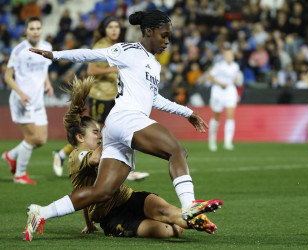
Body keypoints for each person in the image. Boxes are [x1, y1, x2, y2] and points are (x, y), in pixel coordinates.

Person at [25, 10, 222, 241]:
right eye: (163, 35)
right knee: (177, 151)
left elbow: (154, 99)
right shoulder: (128, 51)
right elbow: (91, 54)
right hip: (127, 117)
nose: (167, 41)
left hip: (120, 126)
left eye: (169, 36)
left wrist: (186, 112)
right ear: (149, 31)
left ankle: (40, 212)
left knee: (102, 191)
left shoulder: (154, 65)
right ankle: (189, 206)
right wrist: (55, 55)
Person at [25, 76, 217, 240]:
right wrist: (113, 134)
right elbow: (92, 165)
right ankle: (184, 222)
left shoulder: (101, 151)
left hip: (128, 198)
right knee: (170, 230)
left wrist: (88, 224)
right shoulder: (77, 156)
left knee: (169, 213)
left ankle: (192, 216)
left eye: (100, 132)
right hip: (111, 215)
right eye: (95, 132)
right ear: (80, 137)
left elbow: (84, 196)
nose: (100, 136)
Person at [52, 16, 149, 181]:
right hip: (100, 96)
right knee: (99, 134)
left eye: (116, 27)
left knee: (112, 132)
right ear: (105, 30)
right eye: (110, 27)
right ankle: (64, 154)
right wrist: (112, 70)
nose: (114, 30)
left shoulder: (118, 46)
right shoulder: (101, 46)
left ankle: (64, 155)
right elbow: (90, 70)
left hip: (114, 96)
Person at [1, 17, 53, 184]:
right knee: (31, 138)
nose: (35, 31)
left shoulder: (47, 47)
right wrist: (21, 93)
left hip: (38, 101)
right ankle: (19, 174)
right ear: (26, 31)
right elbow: (7, 77)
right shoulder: (19, 51)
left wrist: (48, 83)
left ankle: (11, 156)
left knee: (41, 140)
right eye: (32, 28)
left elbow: (44, 68)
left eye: (38, 28)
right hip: (22, 101)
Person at [208, 49, 242, 151]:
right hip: (218, 91)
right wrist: (220, 83)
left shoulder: (236, 66)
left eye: (231, 55)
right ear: (224, 56)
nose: (229, 57)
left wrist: (235, 81)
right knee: (216, 116)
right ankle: (212, 140)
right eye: (227, 55)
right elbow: (210, 77)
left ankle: (228, 142)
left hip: (230, 90)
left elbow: (235, 78)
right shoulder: (219, 66)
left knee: (230, 116)